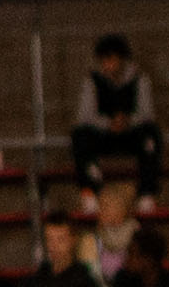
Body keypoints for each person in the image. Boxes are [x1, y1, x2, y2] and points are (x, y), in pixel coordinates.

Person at [69, 31, 163, 195]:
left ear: (122, 59)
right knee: (80, 136)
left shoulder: (140, 79)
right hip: (103, 135)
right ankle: (90, 190)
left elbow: (147, 113)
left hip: (131, 134)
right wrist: (108, 123)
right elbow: (84, 116)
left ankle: (147, 193)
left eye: (111, 59)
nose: (107, 65)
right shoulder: (92, 80)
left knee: (151, 137)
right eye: (103, 60)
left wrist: (127, 121)